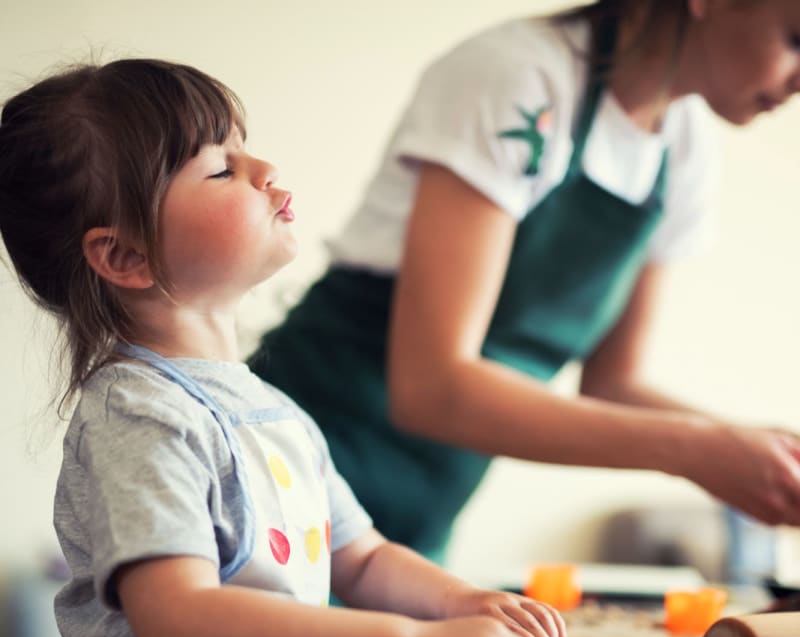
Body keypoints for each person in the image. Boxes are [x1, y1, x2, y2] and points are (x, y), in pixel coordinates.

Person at [0, 59, 572, 637]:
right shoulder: (138, 412)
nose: (265, 169)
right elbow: (185, 623)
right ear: (123, 255)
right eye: (220, 168)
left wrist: (461, 603)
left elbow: (360, 559)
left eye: (249, 148)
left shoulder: (276, 411)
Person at [249, 0, 800, 564]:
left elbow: (614, 383)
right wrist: (696, 451)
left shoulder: (684, 151)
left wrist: (768, 455)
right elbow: (431, 390)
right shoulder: (517, 77)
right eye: (797, 39)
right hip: (291, 484)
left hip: (416, 528)